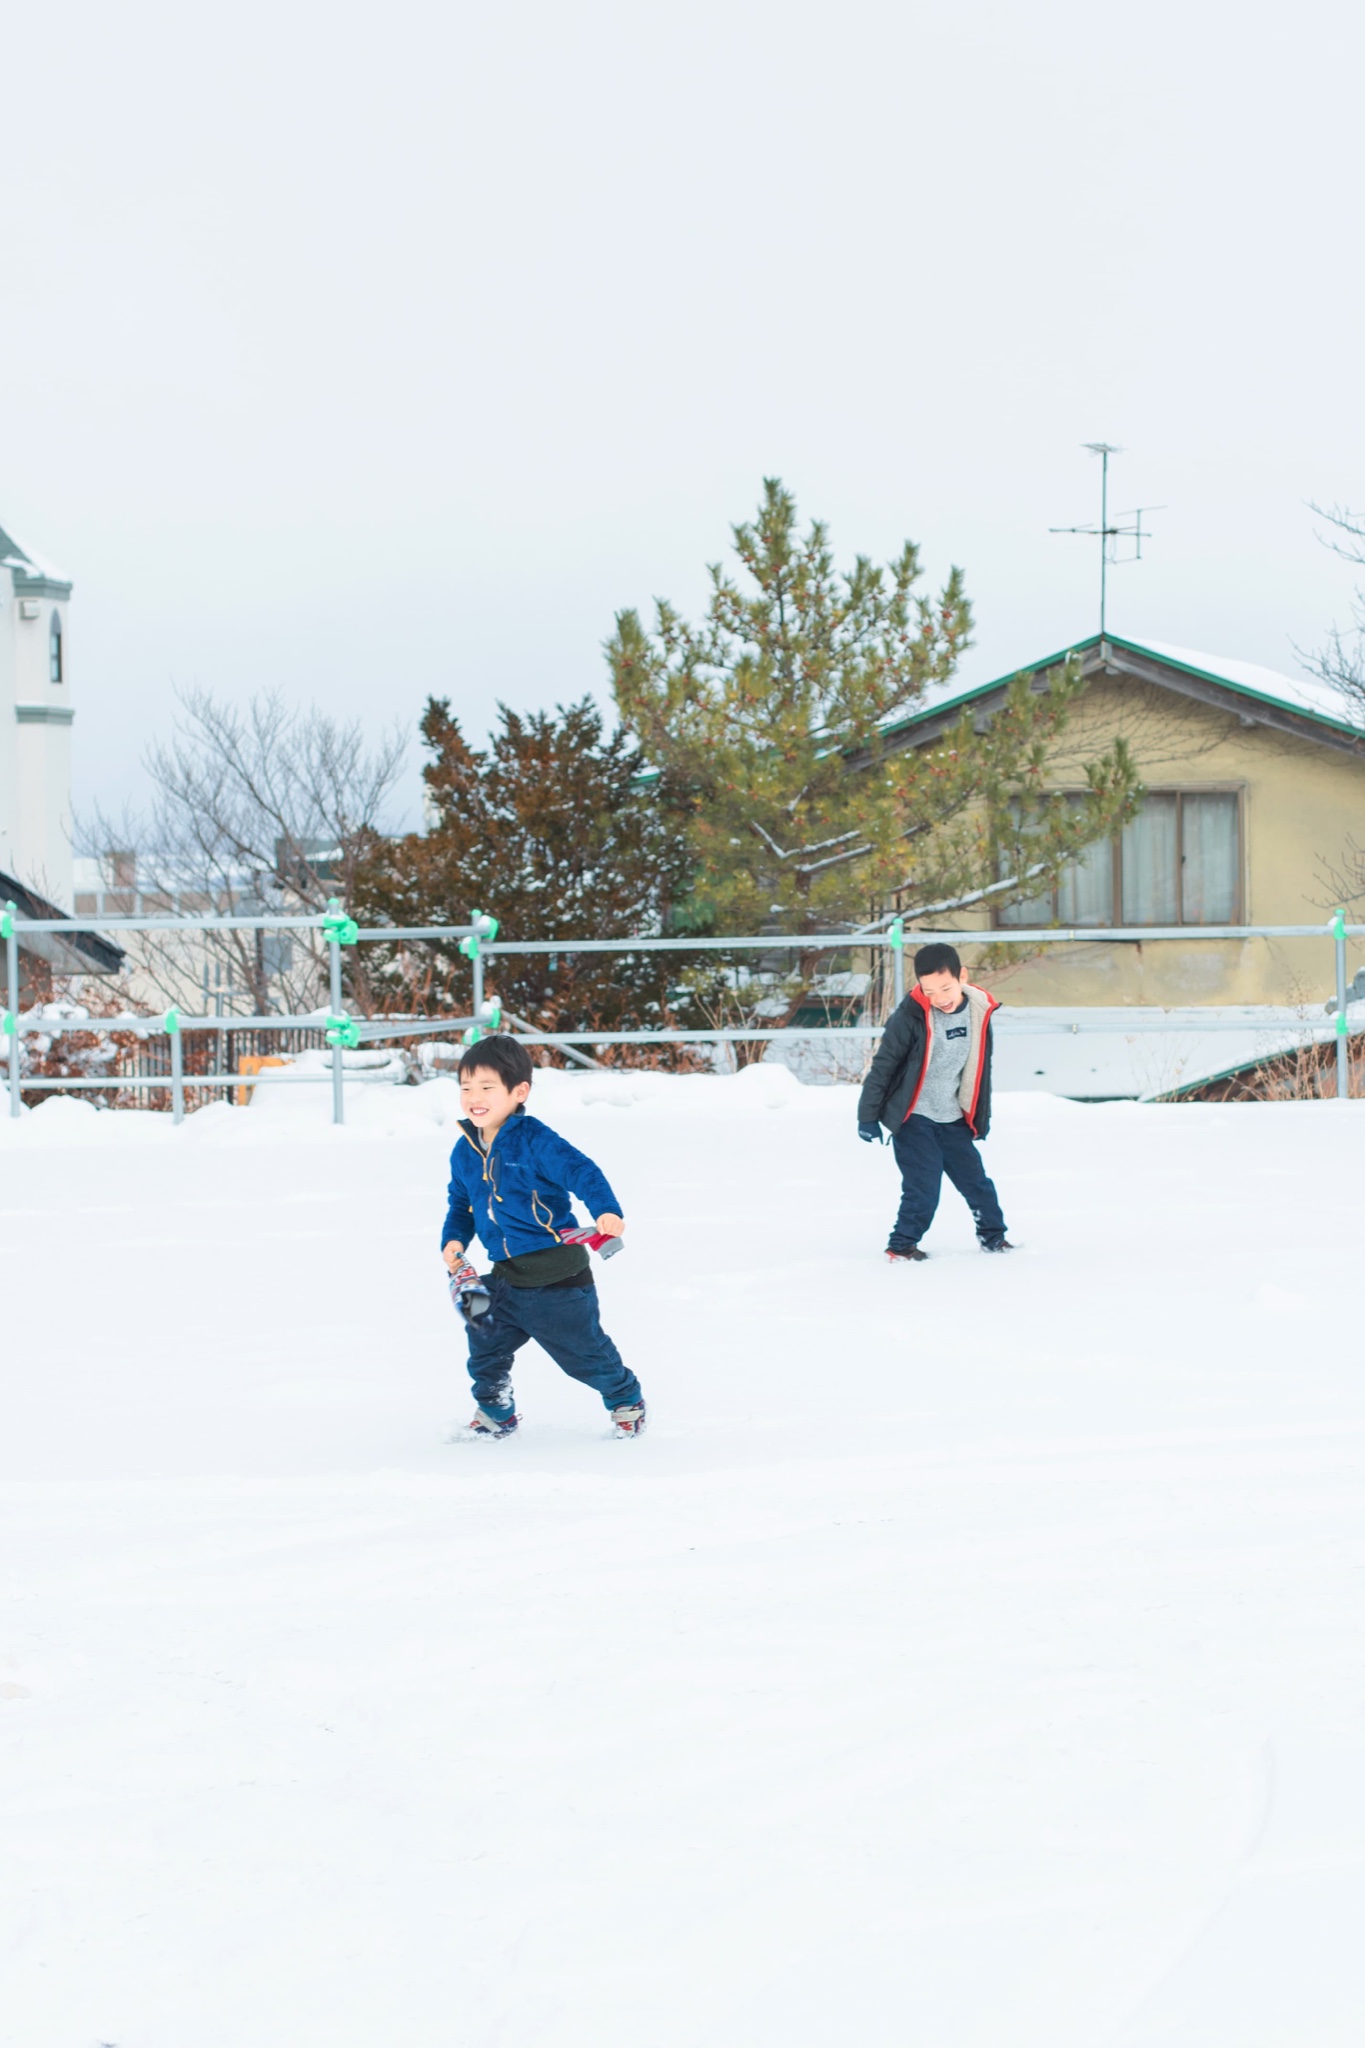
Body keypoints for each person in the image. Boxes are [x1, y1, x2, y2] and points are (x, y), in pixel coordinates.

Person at [440, 1033, 646, 1438]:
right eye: (465, 1087)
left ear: (519, 1092)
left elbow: (582, 1171)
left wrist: (606, 1210)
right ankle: (496, 1412)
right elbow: (460, 1203)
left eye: (486, 1087)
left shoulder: (535, 1140)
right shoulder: (464, 1151)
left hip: (557, 1282)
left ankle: (627, 1400)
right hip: (503, 1277)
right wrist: (454, 1239)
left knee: (584, 1355)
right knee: (483, 1342)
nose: (473, 1097)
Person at [856, 941, 1012, 1263]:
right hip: (914, 1118)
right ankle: (901, 1248)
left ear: (962, 977)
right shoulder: (910, 1017)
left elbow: (980, 1070)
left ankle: (994, 1240)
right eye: (929, 991)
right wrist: (867, 1116)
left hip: (952, 1118)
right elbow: (883, 1066)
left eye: (945, 988)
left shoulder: (979, 1012)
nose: (939, 998)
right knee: (923, 1189)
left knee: (977, 1183)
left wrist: (979, 1118)